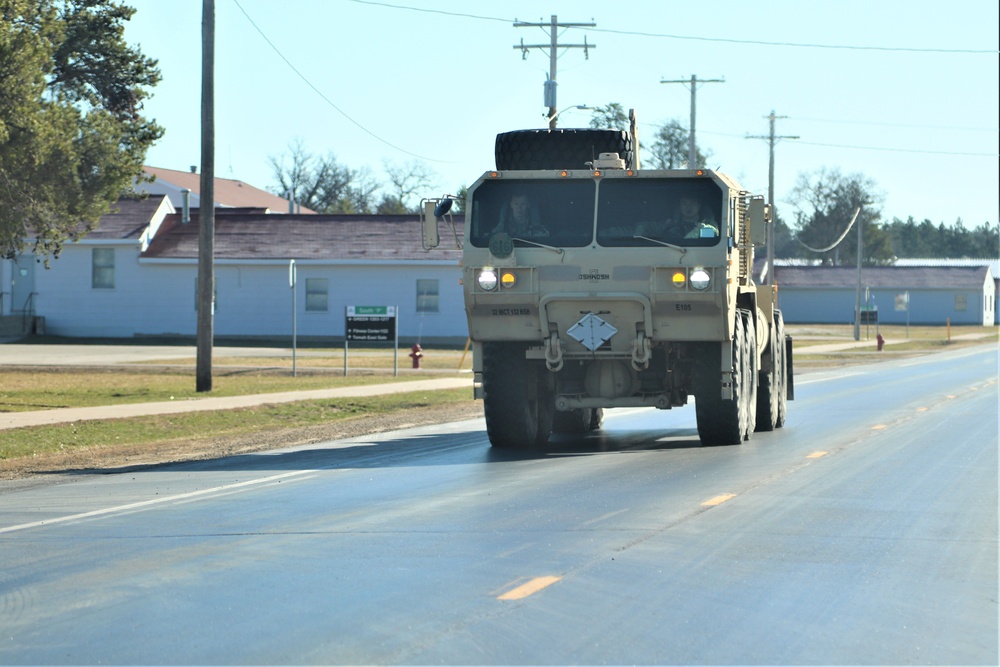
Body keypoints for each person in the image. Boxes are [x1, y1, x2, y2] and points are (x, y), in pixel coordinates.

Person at [634, 195, 719, 242]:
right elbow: (648, 227)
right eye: (684, 204)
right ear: (680, 206)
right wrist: (641, 229)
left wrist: (700, 228)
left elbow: (713, 234)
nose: (688, 207)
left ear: (699, 206)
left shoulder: (708, 224)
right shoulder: (669, 224)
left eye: (693, 203)